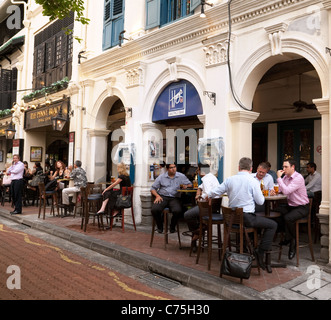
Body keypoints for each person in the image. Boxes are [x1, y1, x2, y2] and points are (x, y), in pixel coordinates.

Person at [207, 157, 277, 271]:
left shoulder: (230, 179)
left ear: (239, 167)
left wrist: (208, 195)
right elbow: (260, 201)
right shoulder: (252, 181)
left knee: (258, 222)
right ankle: (260, 251)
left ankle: (247, 248)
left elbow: (217, 191)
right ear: (251, 168)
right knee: (272, 225)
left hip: (231, 219)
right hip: (247, 219)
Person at [277, 158, 309, 260]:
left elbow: (286, 191)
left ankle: (293, 242)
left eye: (286, 167)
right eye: (283, 166)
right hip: (291, 206)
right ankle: (288, 237)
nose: (284, 169)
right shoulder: (286, 177)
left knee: (288, 218)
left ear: (293, 167)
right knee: (277, 213)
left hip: (302, 207)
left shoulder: (298, 178)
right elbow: (282, 189)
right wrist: (276, 191)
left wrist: (278, 178)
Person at [184, 163, 220, 250]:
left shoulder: (207, 179)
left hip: (208, 207)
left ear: (201, 171)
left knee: (187, 215)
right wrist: (199, 190)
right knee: (195, 215)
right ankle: (200, 229)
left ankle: (198, 232)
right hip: (214, 207)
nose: (197, 172)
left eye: (198, 170)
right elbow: (201, 187)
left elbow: (208, 195)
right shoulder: (211, 177)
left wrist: (199, 197)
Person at [150, 163, 192, 234]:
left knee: (177, 211)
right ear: (167, 169)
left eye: (174, 167)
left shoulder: (181, 176)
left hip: (174, 197)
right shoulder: (161, 177)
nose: (173, 169)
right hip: (162, 196)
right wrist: (157, 196)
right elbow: (153, 188)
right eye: (171, 168)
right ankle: (160, 226)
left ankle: (172, 226)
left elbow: (190, 184)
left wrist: (186, 186)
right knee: (154, 209)